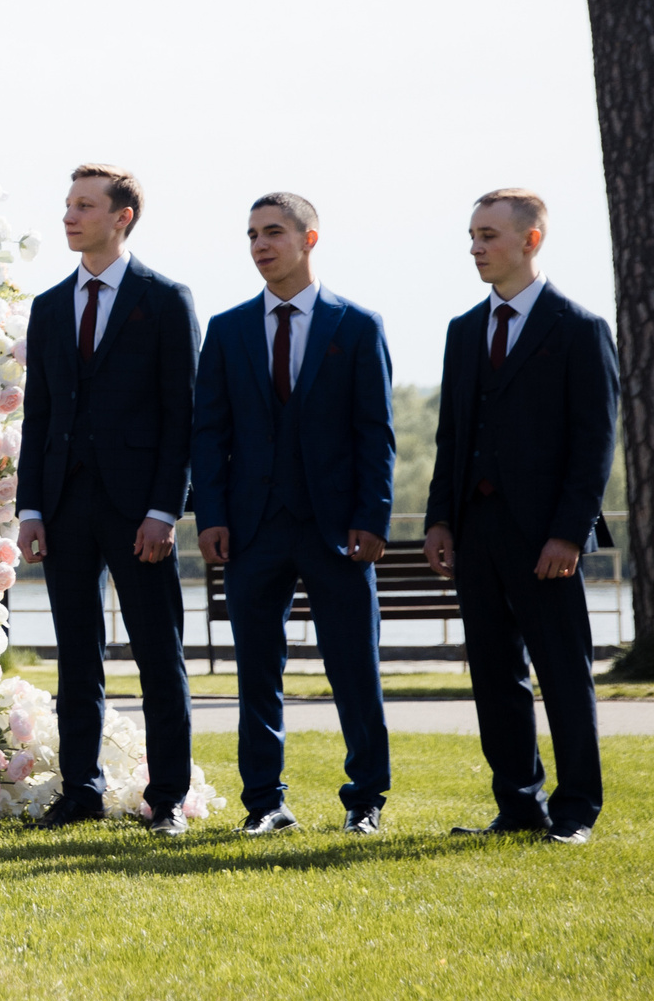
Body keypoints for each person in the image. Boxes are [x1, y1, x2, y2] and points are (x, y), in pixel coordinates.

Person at [190, 193, 396, 835]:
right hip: (251, 528)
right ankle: (265, 803)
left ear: (310, 239)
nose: (259, 245)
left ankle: (365, 801)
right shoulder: (226, 330)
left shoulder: (358, 325)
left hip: (337, 529)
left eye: (273, 232)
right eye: (251, 234)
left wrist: (373, 517)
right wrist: (211, 516)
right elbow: (210, 433)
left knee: (354, 668)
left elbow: (376, 432)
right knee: (256, 671)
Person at [425, 189, 617, 845]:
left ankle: (576, 811)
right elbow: (452, 436)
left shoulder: (579, 328)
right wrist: (440, 520)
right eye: (472, 236)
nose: (476, 248)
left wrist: (568, 531)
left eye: (489, 236)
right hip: (476, 530)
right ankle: (518, 804)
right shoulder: (461, 330)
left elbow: (595, 444)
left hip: (547, 537)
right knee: (494, 673)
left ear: (531, 239)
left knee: (564, 671)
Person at [14, 165, 202, 835]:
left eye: (85, 206)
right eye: (67, 204)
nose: (70, 215)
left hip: (139, 510)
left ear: (121, 217)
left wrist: (165, 509)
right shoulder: (49, 306)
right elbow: (38, 416)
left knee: (159, 654)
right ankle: (81, 789)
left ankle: (169, 798)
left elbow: (185, 416)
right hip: (64, 506)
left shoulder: (166, 299)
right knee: (76, 656)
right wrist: (30, 507)